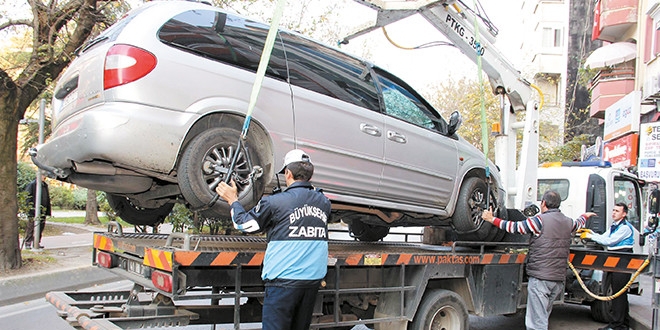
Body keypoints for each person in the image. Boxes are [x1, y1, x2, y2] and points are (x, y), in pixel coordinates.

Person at [215, 149, 331, 330]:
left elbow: (244, 224)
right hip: (311, 282)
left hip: (283, 283)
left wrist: (233, 199)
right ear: (311, 174)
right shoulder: (324, 202)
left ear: (288, 173)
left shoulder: (276, 202)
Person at [481, 190, 596, 330]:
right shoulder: (568, 222)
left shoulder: (539, 221)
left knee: (537, 323)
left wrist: (492, 219)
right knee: (542, 316)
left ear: (543, 203)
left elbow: (515, 227)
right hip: (558, 280)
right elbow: (578, 223)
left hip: (541, 279)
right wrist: (585, 215)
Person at [580, 202, 634, 330]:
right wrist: (591, 233)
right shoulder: (614, 226)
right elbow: (604, 237)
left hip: (622, 262)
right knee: (619, 293)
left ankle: (617, 325)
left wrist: (590, 236)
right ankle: (622, 323)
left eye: (617, 211)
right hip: (614, 262)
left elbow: (608, 241)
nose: (614, 213)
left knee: (618, 294)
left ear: (624, 214)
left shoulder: (625, 228)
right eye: (613, 210)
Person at [24, 175, 51, 249]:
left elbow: (47, 198)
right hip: (33, 211)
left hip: (43, 210)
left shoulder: (45, 185)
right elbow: (28, 197)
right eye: (43, 175)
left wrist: (47, 210)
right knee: (31, 227)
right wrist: (31, 209)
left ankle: (37, 242)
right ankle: (28, 242)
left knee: (41, 226)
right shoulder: (32, 184)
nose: (44, 177)